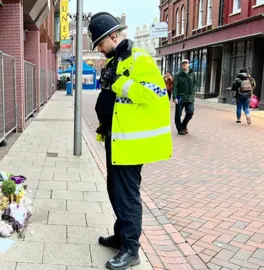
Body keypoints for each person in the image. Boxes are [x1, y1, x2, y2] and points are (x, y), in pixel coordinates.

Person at [89, 12, 172, 270]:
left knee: (127, 195)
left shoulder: (140, 60)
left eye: (101, 44)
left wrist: (119, 83)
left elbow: (155, 94)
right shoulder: (117, 59)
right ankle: (121, 235)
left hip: (131, 144)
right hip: (116, 139)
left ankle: (131, 249)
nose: (100, 50)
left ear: (113, 36)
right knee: (115, 191)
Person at [172, 59, 197, 135]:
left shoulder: (192, 73)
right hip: (179, 96)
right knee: (178, 114)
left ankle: (183, 125)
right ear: (181, 65)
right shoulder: (177, 75)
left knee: (190, 112)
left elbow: (195, 83)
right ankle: (180, 129)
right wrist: (174, 97)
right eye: (183, 63)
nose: (184, 65)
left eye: (186, 63)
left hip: (189, 97)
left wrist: (193, 91)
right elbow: (175, 87)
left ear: (188, 64)